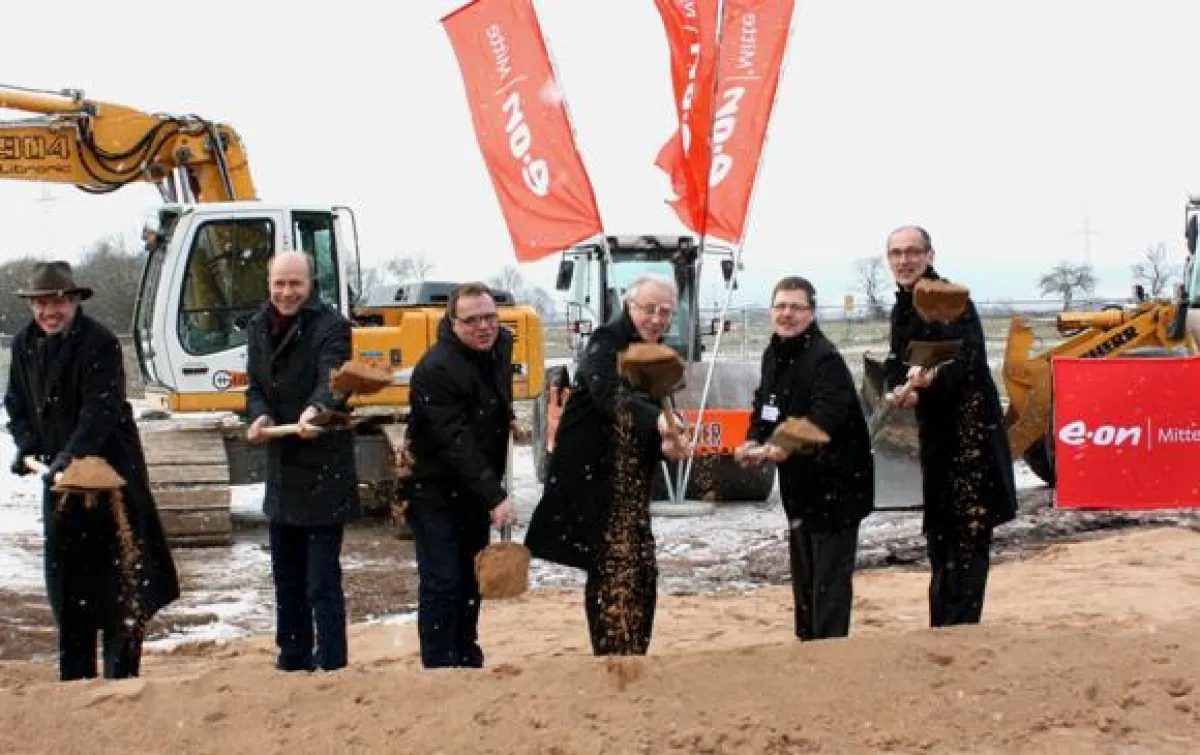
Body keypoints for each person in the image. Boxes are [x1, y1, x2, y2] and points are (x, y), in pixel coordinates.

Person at [4, 261, 180, 681]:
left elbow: (99, 412)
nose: (51, 311)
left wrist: (68, 458)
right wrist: (27, 445)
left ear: (75, 300)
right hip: (62, 488)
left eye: (59, 301)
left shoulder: (99, 343)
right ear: (32, 306)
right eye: (42, 303)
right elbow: (16, 403)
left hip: (112, 482)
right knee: (71, 591)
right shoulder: (25, 344)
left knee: (121, 589)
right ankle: (75, 681)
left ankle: (122, 681)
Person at [525, 275, 689, 656]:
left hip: (630, 477)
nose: (656, 318)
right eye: (649, 309)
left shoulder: (657, 351)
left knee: (640, 566)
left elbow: (661, 402)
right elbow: (610, 394)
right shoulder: (605, 342)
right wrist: (658, 422)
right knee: (609, 563)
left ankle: (634, 648)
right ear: (630, 306)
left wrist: (670, 439)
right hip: (592, 474)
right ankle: (611, 651)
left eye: (665, 312)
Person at [883, 226, 1018, 627]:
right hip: (937, 442)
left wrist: (931, 382)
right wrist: (901, 387)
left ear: (930, 256)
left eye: (912, 252)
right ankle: (942, 626)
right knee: (941, 541)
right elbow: (897, 362)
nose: (904, 260)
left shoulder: (952, 300)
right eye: (895, 253)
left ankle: (961, 630)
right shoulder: (902, 307)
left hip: (970, 442)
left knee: (968, 540)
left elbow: (968, 363)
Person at [735, 276, 874, 641]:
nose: (787, 314)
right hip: (801, 489)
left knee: (828, 581)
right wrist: (753, 441)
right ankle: (807, 646)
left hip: (838, 486)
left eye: (796, 307)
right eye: (780, 306)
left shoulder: (824, 359)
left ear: (811, 313)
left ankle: (829, 653)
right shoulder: (774, 354)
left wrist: (784, 446)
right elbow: (765, 406)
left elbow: (825, 415)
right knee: (805, 577)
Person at [246, 251, 362, 672]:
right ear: (268, 283)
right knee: (286, 578)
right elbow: (256, 386)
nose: (286, 292)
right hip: (282, 467)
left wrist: (316, 410)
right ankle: (292, 658)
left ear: (311, 284)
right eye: (279, 283)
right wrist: (258, 414)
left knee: (321, 581)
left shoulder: (331, 327)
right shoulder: (259, 326)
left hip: (322, 468)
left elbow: (333, 380)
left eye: (295, 284)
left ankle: (332, 663)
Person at [405, 282, 518, 669]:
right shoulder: (435, 369)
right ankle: (438, 664)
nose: (484, 327)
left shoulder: (501, 345)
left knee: (471, 579)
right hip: (434, 488)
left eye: (489, 317)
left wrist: (510, 417)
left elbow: (492, 398)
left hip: (474, 487)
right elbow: (455, 440)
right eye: (472, 321)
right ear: (453, 322)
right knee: (443, 581)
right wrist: (495, 495)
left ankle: (466, 655)